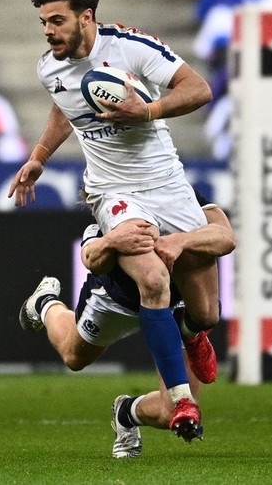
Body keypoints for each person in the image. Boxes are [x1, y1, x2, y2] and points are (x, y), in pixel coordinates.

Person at [9, 0, 215, 442]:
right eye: (43, 22)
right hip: (113, 193)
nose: (48, 31)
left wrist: (148, 110)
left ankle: (52, 306)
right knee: (153, 277)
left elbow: (199, 89)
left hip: (167, 184)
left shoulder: (131, 47)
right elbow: (65, 105)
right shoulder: (49, 67)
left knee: (206, 314)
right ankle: (181, 400)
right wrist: (39, 156)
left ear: (86, 17)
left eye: (56, 20)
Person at [20, 195, 235, 458]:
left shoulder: (179, 191)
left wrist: (181, 240)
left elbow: (225, 236)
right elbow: (91, 257)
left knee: (174, 410)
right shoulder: (113, 203)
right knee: (73, 357)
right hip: (116, 303)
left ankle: (126, 412)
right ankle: (45, 303)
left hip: (174, 305)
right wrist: (111, 241)